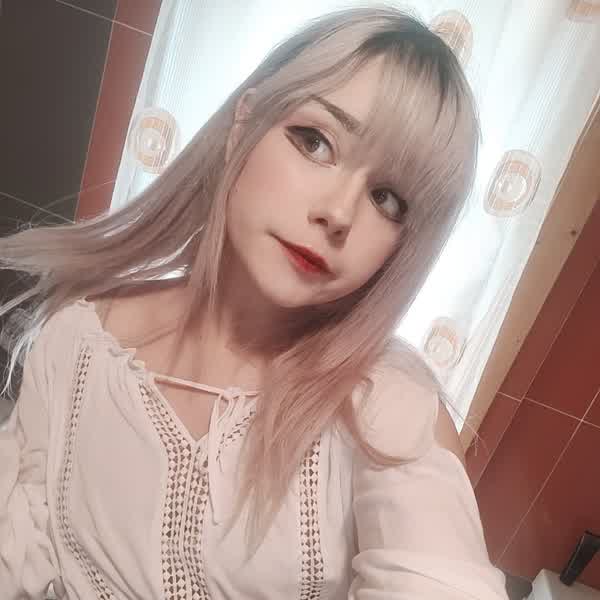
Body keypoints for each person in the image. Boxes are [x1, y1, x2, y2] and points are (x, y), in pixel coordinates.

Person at [0, 5, 510, 599]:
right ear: (244, 124)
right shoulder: (73, 341)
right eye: (315, 142)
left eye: (388, 198)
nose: (339, 213)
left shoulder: (386, 404)